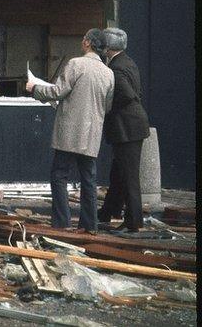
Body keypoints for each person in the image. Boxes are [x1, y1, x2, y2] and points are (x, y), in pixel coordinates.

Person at [26, 29, 114, 233]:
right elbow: (107, 106)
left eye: (83, 38)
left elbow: (57, 91)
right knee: (89, 180)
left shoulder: (76, 64)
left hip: (69, 131)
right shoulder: (108, 73)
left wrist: (35, 89)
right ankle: (89, 225)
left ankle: (62, 222)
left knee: (59, 175)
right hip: (91, 134)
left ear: (88, 43)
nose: (82, 41)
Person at [98, 28, 150, 233]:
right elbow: (137, 92)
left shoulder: (116, 69)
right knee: (118, 173)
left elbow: (128, 95)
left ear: (108, 48)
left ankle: (134, 221)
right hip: (133, 124)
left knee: (128, 176)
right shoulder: (128, 62)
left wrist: (107, 107)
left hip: (126, 127)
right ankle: (108, 211)